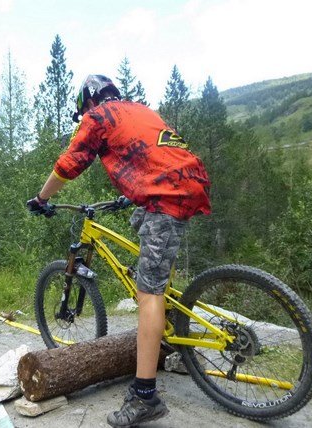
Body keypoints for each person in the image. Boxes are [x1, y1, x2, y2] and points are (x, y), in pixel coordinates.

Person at [27, 74, 210, 427]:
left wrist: (42, 198)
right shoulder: (138, 110)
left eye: (82, 111)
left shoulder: (99, 116)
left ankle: (145, 397)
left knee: (148, 293)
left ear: (89, 102)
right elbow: (155, 154)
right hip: (185, 183)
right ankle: (165, 326)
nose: (83, 117)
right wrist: (132, 193)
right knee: (140, 223)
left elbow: (70, 163)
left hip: (168, 194)